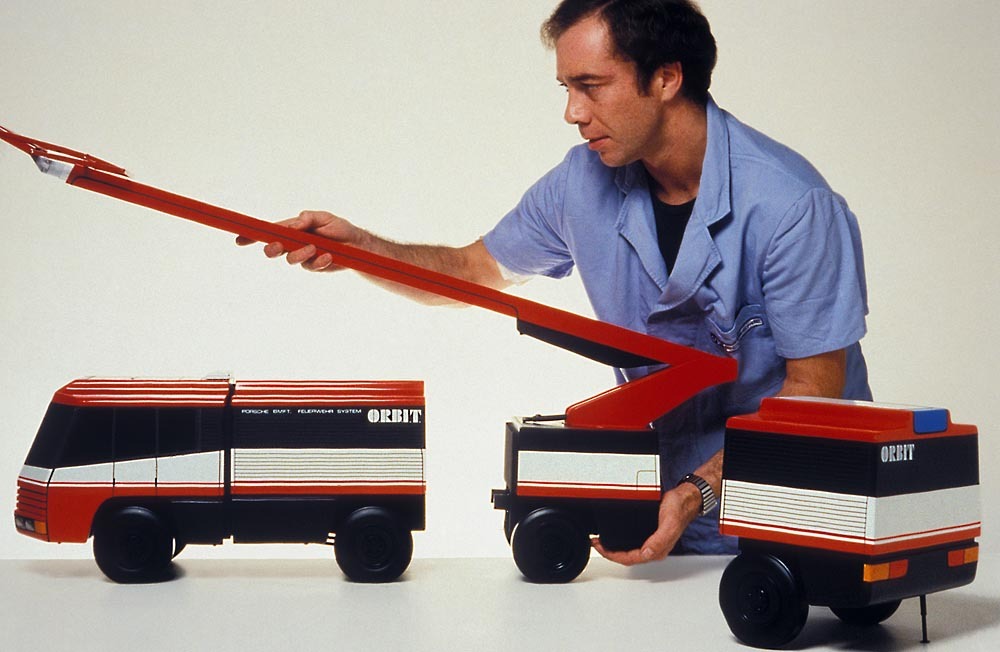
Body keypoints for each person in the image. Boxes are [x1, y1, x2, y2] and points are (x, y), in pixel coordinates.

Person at [240, 0, 871, 562]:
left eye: (591, 86)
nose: (573, 113)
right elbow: (473, 270)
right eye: (567, 88)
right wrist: (362, 251)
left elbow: (813, 394)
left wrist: (695, 494)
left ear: (666, 77)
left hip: (788, 522)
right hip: (657, 522)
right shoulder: (580, 183)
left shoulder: (793, 207)